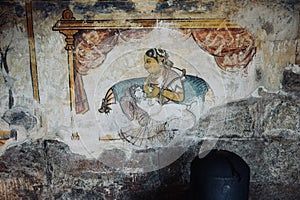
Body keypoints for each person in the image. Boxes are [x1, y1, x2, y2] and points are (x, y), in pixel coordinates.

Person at [119, 48, 195, 147]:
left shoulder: (172, 76)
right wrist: (145, 92)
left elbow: (180, 97)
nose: (145, 65)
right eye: (145, 62)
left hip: (169, 108)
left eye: (148, 61)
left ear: (160, 62)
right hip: (155, 107)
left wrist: (161, 92)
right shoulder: (150, 77)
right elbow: (149, 95)